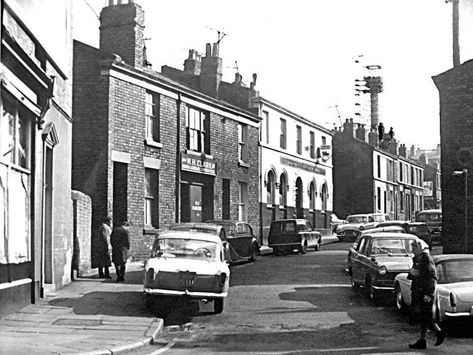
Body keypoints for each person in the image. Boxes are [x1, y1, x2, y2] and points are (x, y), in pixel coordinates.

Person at [408, 240, 445, 349]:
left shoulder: (426, 258)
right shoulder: (417, 259)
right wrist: (411, 273)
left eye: (414, 248)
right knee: (422, 317)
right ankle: (422, 340)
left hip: (425, 293)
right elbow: (414, 274)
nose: (413, 250)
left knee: (427, 316)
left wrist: (429, 293)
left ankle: (439, 332)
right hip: (418, 291)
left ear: (419, 248)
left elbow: (432, 277)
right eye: (412, 248)